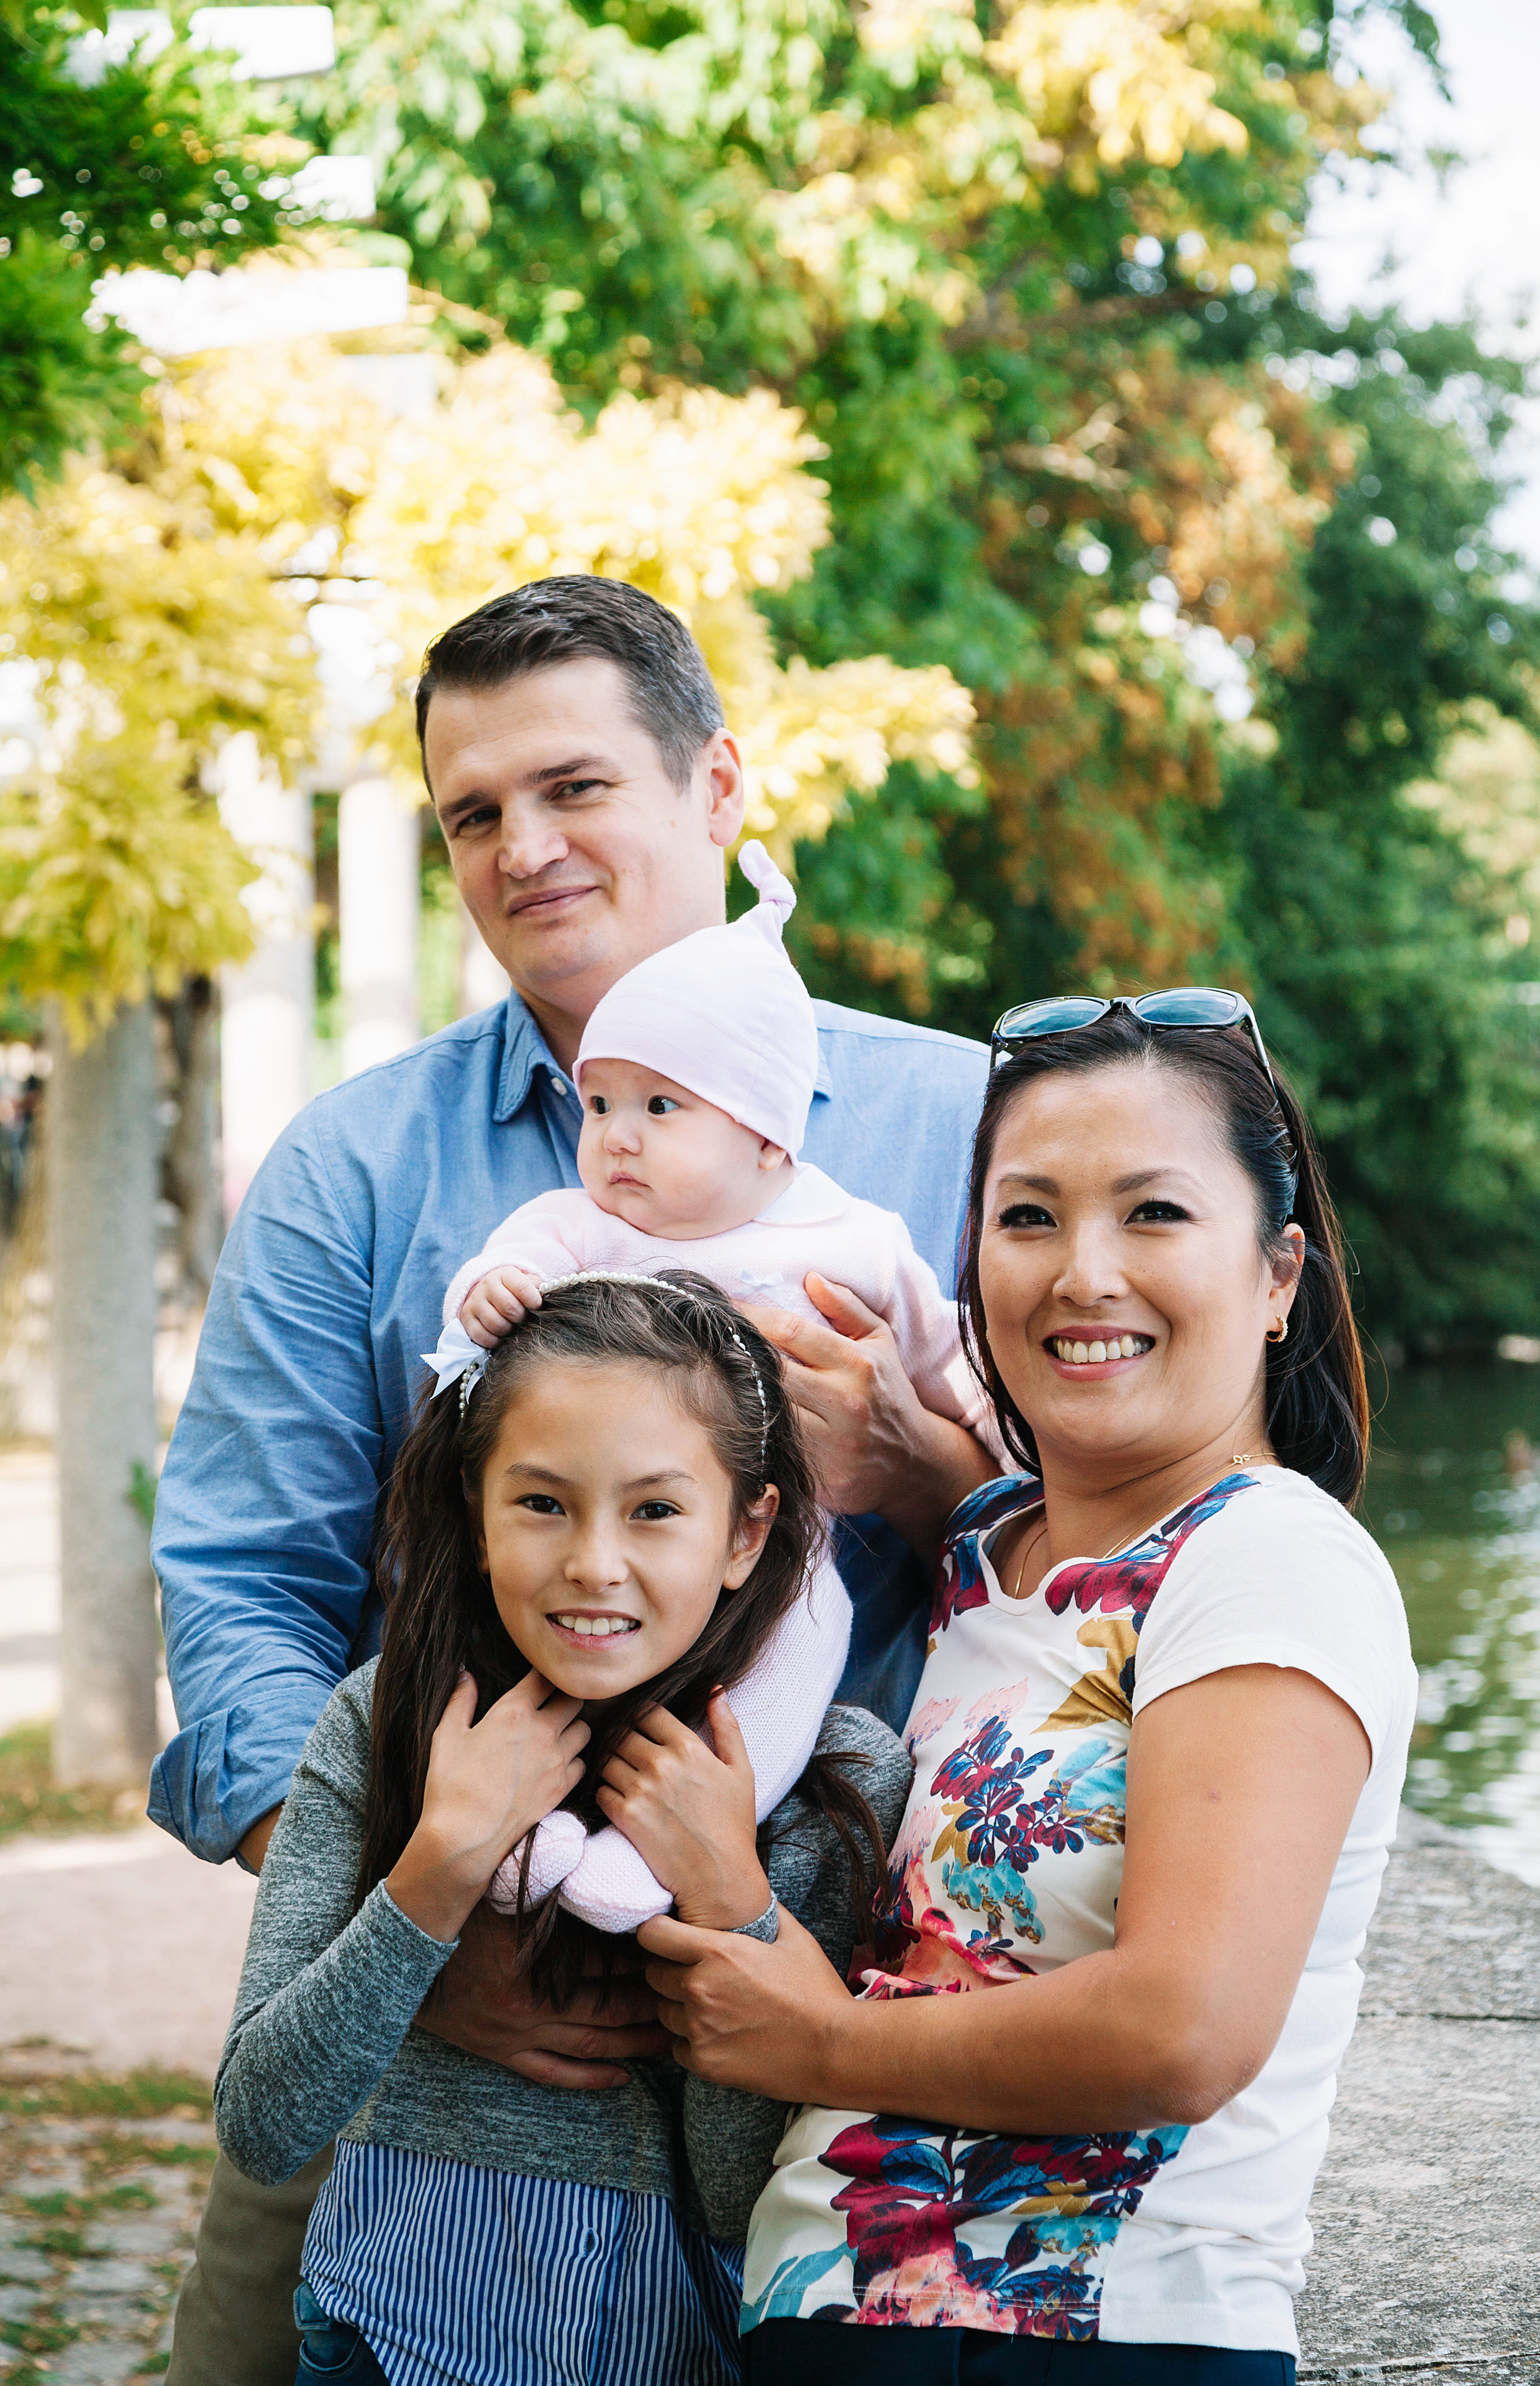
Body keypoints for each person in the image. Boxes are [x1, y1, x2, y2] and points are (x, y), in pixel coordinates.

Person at [152, 575, 994, 2385]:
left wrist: (922, 1476)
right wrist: (419, 1924)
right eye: (474, 814)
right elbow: (238, 1588)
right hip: (411, 2070)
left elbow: (1120, 1575)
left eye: (576, 785)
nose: (523, 846)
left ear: (720, 788)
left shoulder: (968, 1131)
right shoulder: (356, 1168)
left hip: (875, 2053)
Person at [636, 992, 1419, 2382]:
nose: (1082, 1274)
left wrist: (817, 2035)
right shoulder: (1000, 1558)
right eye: (1028, 1216)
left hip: (1084, 2334)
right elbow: (1041, 1580)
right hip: (832, 2319)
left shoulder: (1268, 1561)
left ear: (1277, 1271)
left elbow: (1179, 2029)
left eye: (1154, 1214)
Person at [217, 1271, 911, 2386]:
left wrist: (730, 1894)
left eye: (656, 1509)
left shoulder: (837, 1777)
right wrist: (439, 1865)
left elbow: (749, 2196)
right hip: (386, 2349)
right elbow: (263, 2121)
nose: (595, 1562)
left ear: (747, 1532)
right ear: (477, 1514)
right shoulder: (384, 1719)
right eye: (542, 1503)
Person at [428, 838, 1000, 1936]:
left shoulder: (854, 1239)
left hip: (780, 1548)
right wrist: (494, 1292)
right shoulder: (584, 1225)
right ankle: (516, 1834)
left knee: (794, 1666)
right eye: (600, 1107)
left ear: (771, 1143)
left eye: (660, 1109)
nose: (616, 1141)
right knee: (481, 1632)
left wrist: (974, 1429)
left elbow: (949, 1357)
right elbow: (503, 1267)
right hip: (601, 1538)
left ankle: (654, 1858)